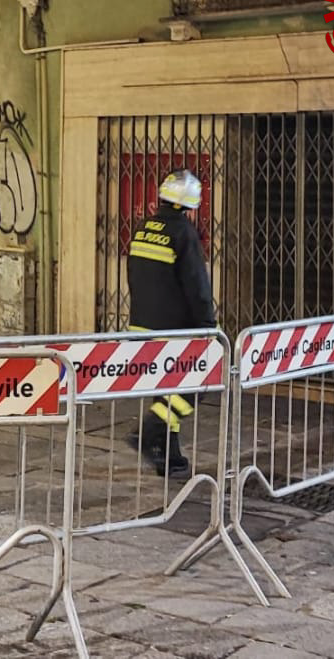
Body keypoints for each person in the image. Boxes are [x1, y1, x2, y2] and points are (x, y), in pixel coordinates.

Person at [126, 169, 215, 479]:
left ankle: (170, 457)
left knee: (167, 387)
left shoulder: (142, 227)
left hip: (142, 325)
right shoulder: (183, 233)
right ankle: (149, 431)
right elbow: (197, 285)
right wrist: (208, 324)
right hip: (175, 329)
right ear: (191, 203)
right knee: (197, 383)